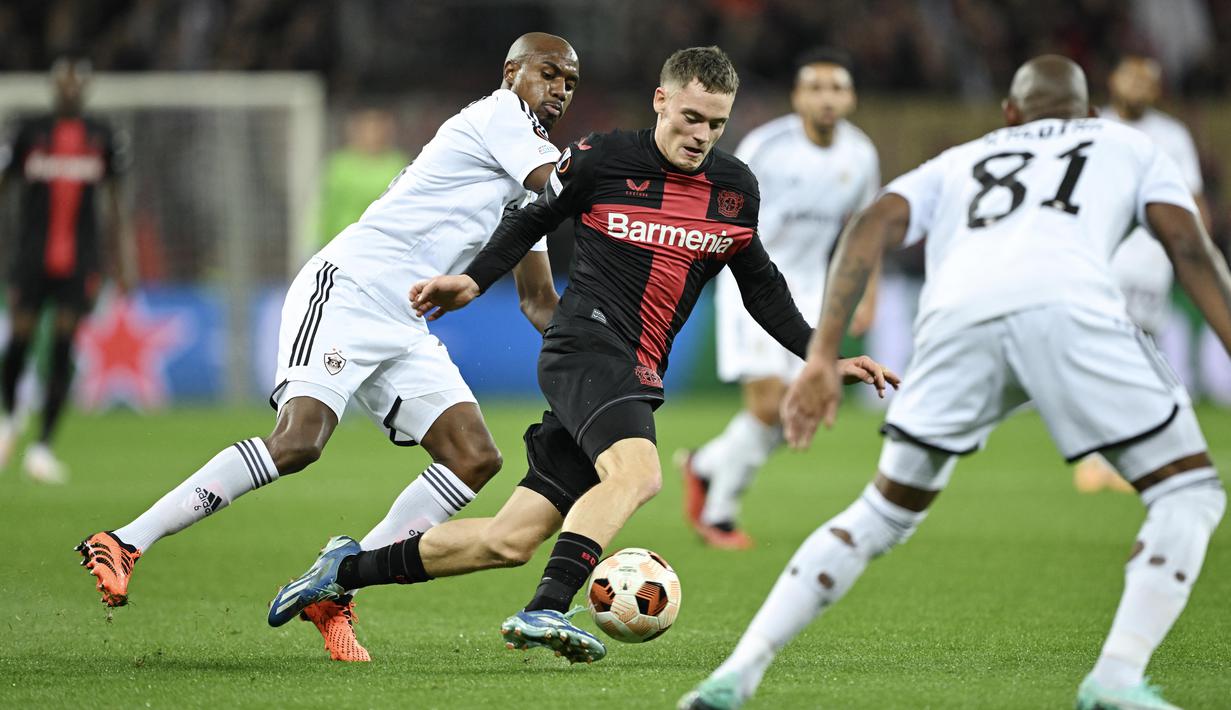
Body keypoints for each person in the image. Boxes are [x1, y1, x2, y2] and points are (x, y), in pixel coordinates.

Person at [267, 46, 896, 665]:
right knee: (639, 474)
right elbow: (529, 220)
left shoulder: (732, 190)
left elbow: (760, 283)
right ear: (661, 101)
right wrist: (475, 281)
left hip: (637, 367)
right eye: (690, 118)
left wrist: (821, 356)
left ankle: (343, 569)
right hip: (585, 345)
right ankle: (546, 608)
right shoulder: (603, 158)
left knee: (507, 539)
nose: (701, 135)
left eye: (716, 123)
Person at [679, 55, 1229, 710]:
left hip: (954, 319)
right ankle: (1114, 677)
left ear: (1009, 114)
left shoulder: (963, 158)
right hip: (1069, 306)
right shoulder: (1129, 143)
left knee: (881, 512)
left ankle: (734, 674)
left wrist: (822, 356)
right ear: (1087, 114)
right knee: (1187, 493)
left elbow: (870, 226)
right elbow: (1189, 248)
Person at [76, 33, 580, 663]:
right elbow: (562, 187)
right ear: (513, 72)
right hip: (348, 290)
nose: (559, 89)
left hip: (405, 320)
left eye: (569, 83)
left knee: (474, 456)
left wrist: (596, 350)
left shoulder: (536, 172)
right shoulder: (501, 117)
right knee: (299, 443)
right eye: (549, 74)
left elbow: (537, 299)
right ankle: (125, 540)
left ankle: (336, 584)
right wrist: (637, 182)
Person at [678, 48, 880, 549]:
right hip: (753, 281)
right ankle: (719, 514)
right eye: (815, 88)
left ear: (850, 97)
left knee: (800, 407)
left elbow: (865, 230)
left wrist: (869, 293)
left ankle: (706, 465)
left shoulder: (861, 155)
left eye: (836, 88)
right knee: (769, 404)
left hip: (814, 291)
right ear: (797, 97)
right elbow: (719, 205)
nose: (826, 99)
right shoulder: (768, 147)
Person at [1074, 54, 1213, 495]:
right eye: (1129, 75)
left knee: (1138, 353)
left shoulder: (1171, 135)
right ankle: (1102, 455)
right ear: (1112, 80)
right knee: (1104, 349)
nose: (1136, 85)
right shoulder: (1093, 130)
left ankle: (1127, 452)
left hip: (1151, 259)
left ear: (1157, 89)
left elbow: (1192, 201)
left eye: (1145, 79)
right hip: (1103, 256)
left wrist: (1199, 253)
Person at [0, 56, 134, 484]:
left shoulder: (102, 137)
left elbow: (114, 204)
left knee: (62, 346)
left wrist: (121, 263)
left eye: (77, 83)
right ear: (53, 86)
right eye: (64, 83)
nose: (70, 90)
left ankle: (42, 447)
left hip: (80, 261)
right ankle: (9, 419)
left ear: (87, 89)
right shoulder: (28, 132)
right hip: (31, 256)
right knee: (18, 341)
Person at [316, 108, 409, 248]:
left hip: (383, 241)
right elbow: (327, 206)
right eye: (367, 129)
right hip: (342, 239)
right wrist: (319, 240)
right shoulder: (340, 164)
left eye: (377, 129)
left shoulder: (397, 163)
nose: (372, 135)